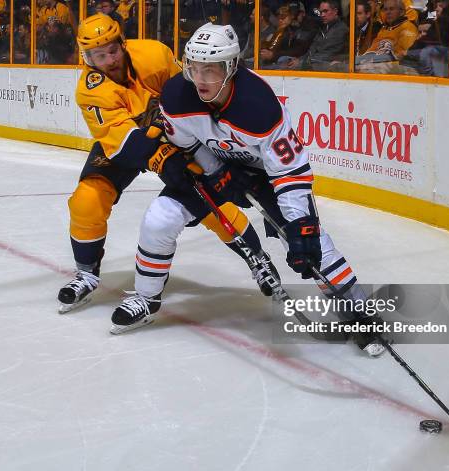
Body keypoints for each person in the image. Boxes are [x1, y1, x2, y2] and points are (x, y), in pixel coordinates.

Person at [111, 22, 385, 357]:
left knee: (312, 243)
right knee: (159, 218)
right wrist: (218, 171)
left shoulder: (260, 107)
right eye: (194, 68)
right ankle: (146, 297)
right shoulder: (176, 95)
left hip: (266, 175)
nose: (200, 80)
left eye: (210, 70)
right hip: (217, 167)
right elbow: (188, 144)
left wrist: (299, 225)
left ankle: (360, 314)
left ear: (231, 67)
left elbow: (290, 171)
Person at [58, 14, 278, 315]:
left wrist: (193, 141)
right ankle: (86, 272)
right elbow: (119, 139)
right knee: (86, 200)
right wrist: (159, 157)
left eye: (112, 50)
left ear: (123, 43)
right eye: (99, 55)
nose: (109, 60)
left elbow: (188, 94)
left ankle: (256, 256)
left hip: (178, 133)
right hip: (127, 144)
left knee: (206, 195)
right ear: (87, 58)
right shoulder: (89, 90)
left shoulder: (154, 54)